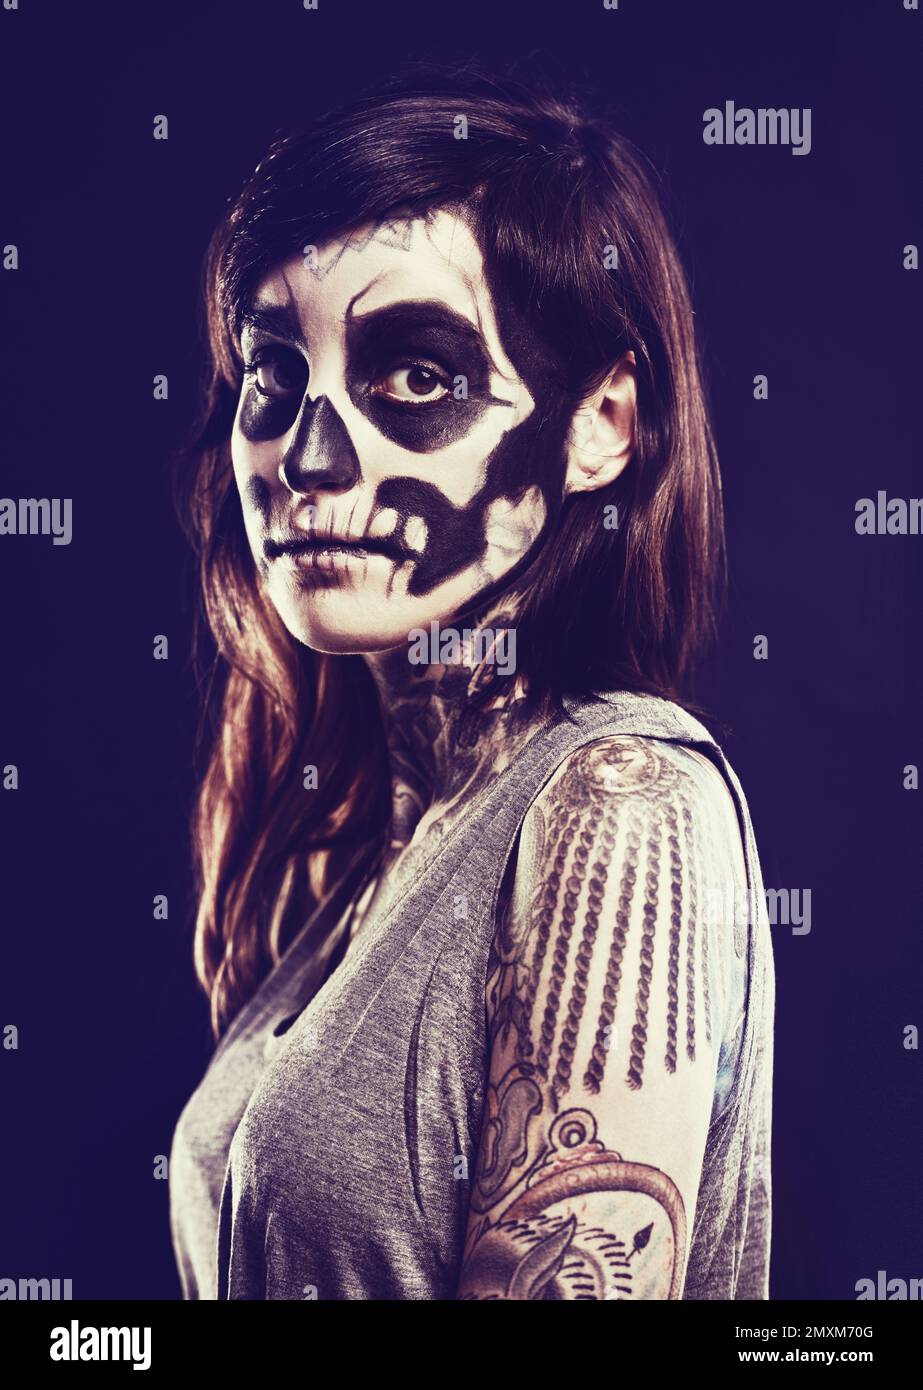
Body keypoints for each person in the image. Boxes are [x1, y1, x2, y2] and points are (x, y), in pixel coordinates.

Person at [168, 64, 775, 1301]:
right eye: (273, 376)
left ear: (600, 421)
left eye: (416, 375)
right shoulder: (352, 847)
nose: (304, 456)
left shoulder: (621, 801)